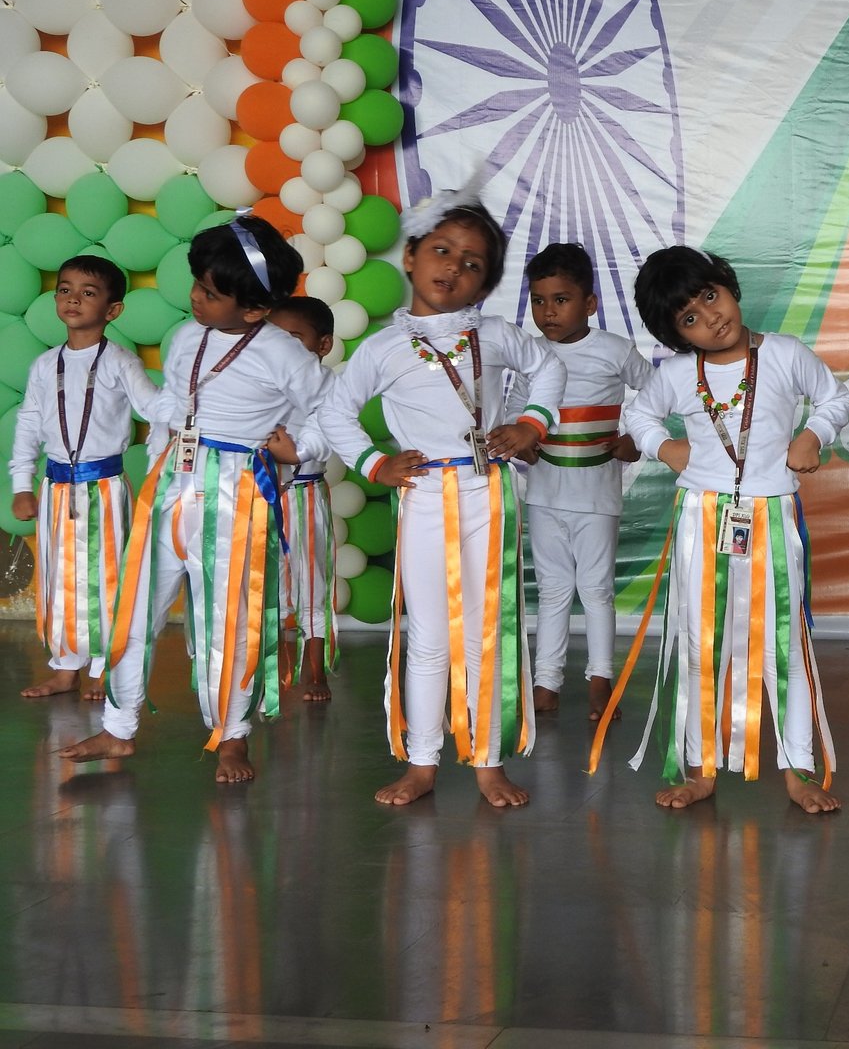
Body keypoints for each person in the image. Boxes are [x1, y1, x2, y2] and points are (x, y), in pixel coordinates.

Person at [309, 187, 566, 808]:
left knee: (484, 631)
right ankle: (421, 762)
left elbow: (550, 368)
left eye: (473, 263)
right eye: (442, 251)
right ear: (411, 257)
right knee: (427, 636)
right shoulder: (383, 347)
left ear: (486, 284)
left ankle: (487, 762)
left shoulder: (496, 335)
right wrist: (374, 463)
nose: (453, 267)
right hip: (424, 496)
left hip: (488, 491)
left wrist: (531, 424)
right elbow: (336, 410)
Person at [60, 216, 322, 782]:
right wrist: (158, 455)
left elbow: (329, 411)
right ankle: (119, 726)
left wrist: (299, 450)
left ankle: (231, 735)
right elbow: (171, 408)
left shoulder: (284, 353)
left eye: (210, 292)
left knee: (227, 622)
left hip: (234, 497)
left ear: (254, 309)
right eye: (197, 285)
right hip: (170, 489)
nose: (196, 298)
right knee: (134, 609)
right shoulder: (184, 337)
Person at [597, 246, 849, 814]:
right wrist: (665, 447)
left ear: (729, 287)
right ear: (675, 334)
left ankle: (799, 770)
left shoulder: (784, 354)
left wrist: (812, 435)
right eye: (689, 317)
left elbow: (837, 397)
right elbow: (638, 415)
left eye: (711, 297)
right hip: (703, 519)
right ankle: (701, 768)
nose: (711, 318)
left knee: (783, 645)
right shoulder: (676, 375)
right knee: (700, 643)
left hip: (772, 516)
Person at [10, 254, 160, 700]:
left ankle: (104, 666)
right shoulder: (44, 365)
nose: (73, 299)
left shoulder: (120, 362)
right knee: (59, 577)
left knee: (104, 577)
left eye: (88, 292)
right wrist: (22, 484)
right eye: (65, 289)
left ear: (113, 310)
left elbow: (156, 410)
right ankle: (65, 666)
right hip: (56, 488)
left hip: (104, 487)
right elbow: (28, 423)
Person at [521, 242, 654, 720]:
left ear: (590, 303)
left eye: (561, 300)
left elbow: (656, 394)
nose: (548, 312)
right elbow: (517, 411)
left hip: (597, 495)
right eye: (539, 301)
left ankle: (601, 681)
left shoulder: (615, 350)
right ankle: (546, 683)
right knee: (553, 588)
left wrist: (635, 440)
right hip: (543, 493)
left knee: (596, 589)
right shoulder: (530, 354)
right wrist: (521, 440)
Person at [268, 297, 338, 703]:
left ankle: (315, 672)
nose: (284, 349)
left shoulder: (329, 389)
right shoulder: (261, 383)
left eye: (294, 339)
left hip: (304, 495)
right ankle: (273, 672)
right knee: (267, 587)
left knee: (312, 586)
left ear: (323, 345)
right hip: (263, 498)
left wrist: (292, 451)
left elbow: (325, 437)